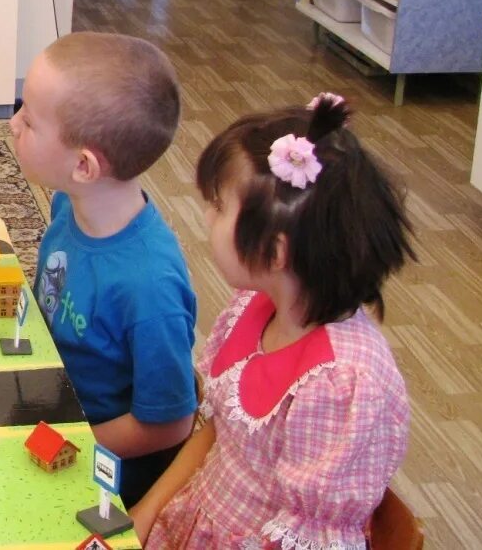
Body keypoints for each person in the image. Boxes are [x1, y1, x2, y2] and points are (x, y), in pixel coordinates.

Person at [131, 93, 413, 548]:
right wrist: (146, 511)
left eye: (220, 207)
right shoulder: (256, 305)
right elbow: (220, 433)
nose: (206, 216)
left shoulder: (339, 382)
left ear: (275, 252)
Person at [9, 32, 197, 507]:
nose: (12, 125)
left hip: (109, 461)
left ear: (85, 166)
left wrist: (72, 442)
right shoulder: (67, 207)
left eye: (29, 120)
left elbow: (171, 422)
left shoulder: (149, 288)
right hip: (55, 402)